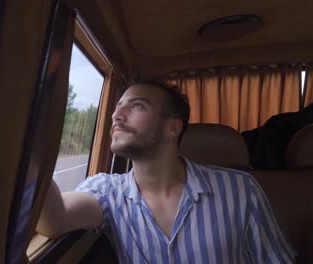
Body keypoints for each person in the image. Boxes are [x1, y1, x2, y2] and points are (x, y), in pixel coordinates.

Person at [36, 81, 296, 263]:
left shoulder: (240, 189)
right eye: (117, 106)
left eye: (136, 105)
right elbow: (54, 219)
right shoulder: (107, 192)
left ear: (172, 129)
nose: (116, 115)